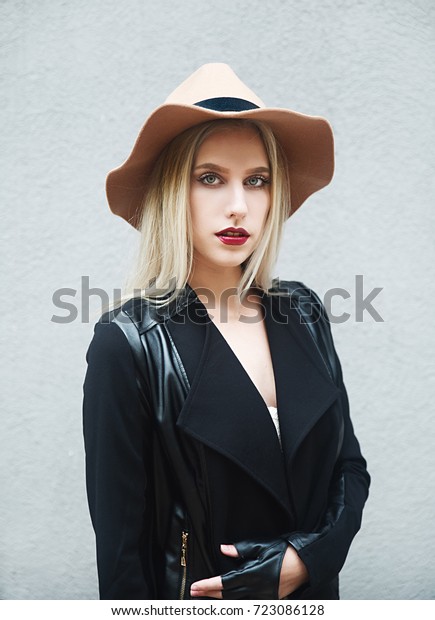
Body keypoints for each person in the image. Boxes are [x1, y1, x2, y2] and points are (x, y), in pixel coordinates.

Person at [82, 63, 370, 601]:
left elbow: (348, 469)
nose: (238, 204)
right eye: (210, 178)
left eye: (256, 180)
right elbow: (121, 560)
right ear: (173, 190)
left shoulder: (303, 311)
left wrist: (305, 560)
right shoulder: (128, 342)